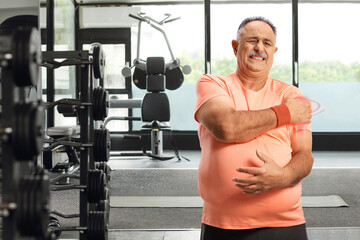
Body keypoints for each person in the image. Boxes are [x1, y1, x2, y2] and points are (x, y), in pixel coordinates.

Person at [194, 16, 314, 240]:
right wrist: (286, 113)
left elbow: (305, 155)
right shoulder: (212, 85)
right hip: (223, 224)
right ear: (235, 46)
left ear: (274, 51)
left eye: (267, 43)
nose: (260, 48)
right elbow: (227, 127)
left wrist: (283, 176)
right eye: (252, 40)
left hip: (285, 223)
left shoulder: (292, 96)